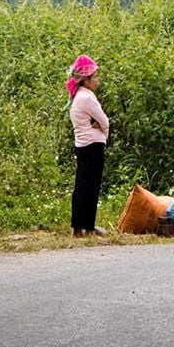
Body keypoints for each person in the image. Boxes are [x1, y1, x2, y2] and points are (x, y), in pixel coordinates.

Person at [66, 54, 110, 237]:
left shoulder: (77, 97)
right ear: (87, 79)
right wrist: (100, 126)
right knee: (91, 187)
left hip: (82, 145)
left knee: (81, 185)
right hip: (93, 146)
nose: (97, 81)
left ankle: (78, 226)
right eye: (95, 77)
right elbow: (105, 121)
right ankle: (89, 227)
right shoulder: (88, 98)